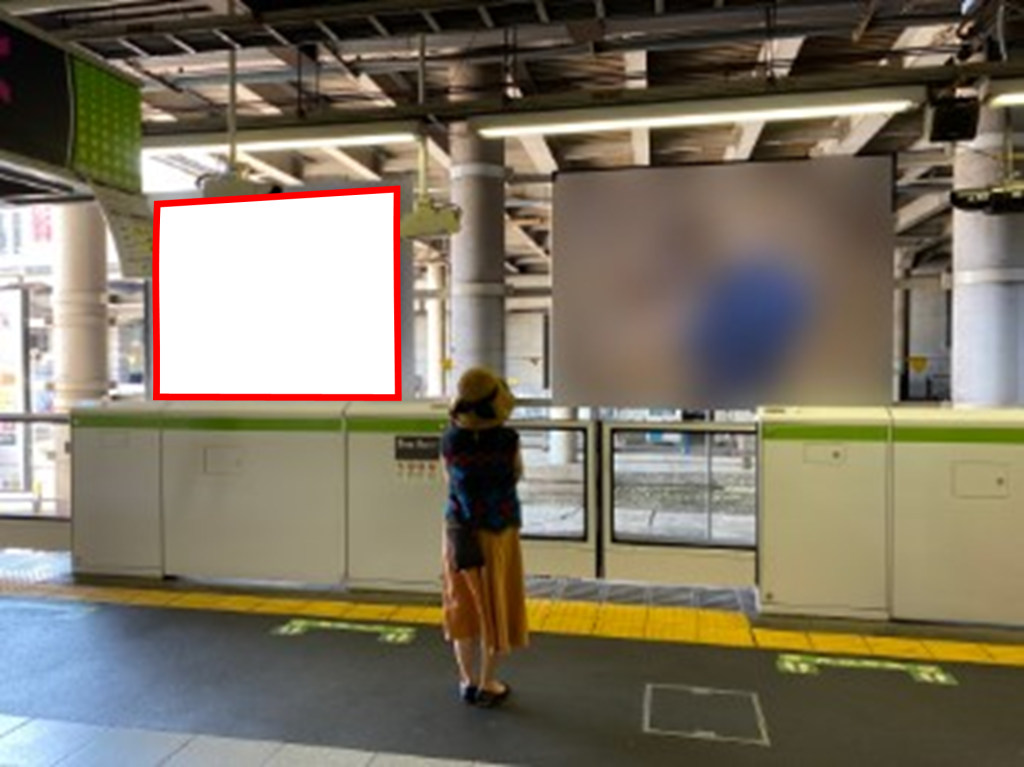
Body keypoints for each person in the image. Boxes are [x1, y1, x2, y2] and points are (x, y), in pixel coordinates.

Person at [440, 367, 529, 709]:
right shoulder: (508, 440)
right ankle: (488, 683)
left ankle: (467, 681)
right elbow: (516, 474)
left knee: (462, 606)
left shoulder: (449, 440)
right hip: (498, 532)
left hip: (458, 533)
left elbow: (449, 480)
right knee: (496, 604)